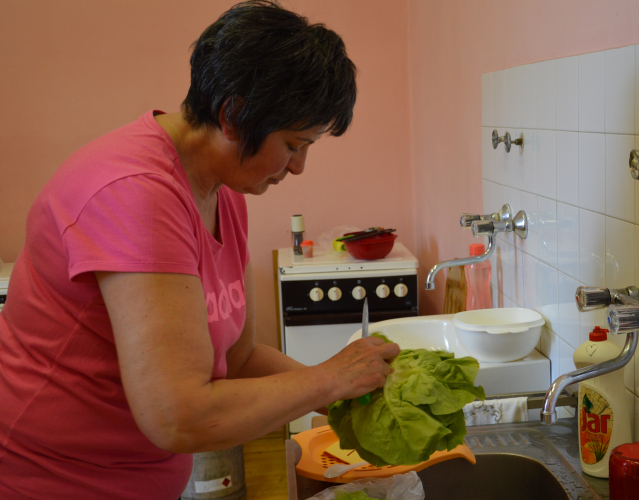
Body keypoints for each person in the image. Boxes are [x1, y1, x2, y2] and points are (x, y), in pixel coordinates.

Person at [0, 2, 400, 498]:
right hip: (51, 480)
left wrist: (354, 396)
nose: (298, 167)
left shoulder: (223, 192)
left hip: (137, 479)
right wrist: (331, 380)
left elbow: (240, 359)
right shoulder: (136, 192)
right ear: (233, 116)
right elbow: (178, 415)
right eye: (294, 145)